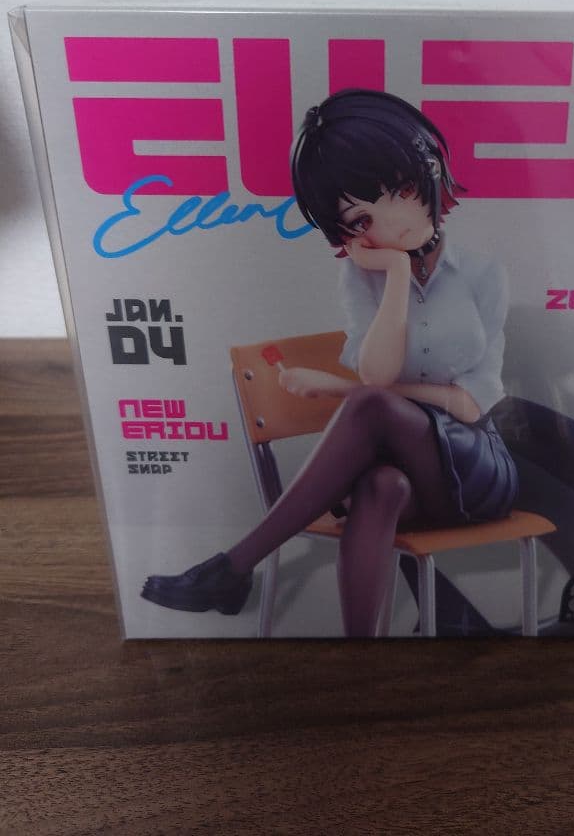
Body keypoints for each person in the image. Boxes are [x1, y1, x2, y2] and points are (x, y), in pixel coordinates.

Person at [141, 89, 518, 636]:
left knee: (369, 406)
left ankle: (233, 568)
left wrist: (342, 391)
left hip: (476, 470)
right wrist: (394, 274)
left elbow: (468, 404)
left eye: (401, 190)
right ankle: (359, 655)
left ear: (428, 171)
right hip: (406, 476)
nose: (385, 224)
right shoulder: (362, 277)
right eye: (360, 219)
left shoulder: (483, 274)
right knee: (380, 486)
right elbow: (378, 374)